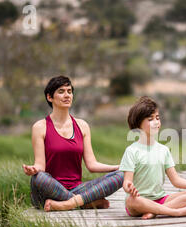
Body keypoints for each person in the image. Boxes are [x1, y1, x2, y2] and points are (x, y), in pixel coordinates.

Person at [22, 75, 124, 212]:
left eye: (69, 91)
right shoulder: (40, 127)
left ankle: (68, 203)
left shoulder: (82, 126)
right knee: (39, 178)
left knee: (121, 175)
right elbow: (40, 165)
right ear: (49, 97)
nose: (67, 95)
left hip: (77, 188)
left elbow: (92, 165)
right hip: (48, 191)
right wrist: (33, 169)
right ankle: (84, 203)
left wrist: (118, 167)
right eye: (61, 91)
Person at [120, 96, 186, 219]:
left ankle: (154, 212)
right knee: (131, 201)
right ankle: (177, 212)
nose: (156, 122)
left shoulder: (163, 150)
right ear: (138, 124)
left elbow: (176, 180)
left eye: (157, 118)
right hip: (139, 201)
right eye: (150, 119)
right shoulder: (132, 151)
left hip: (160, 199)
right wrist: (129, 187)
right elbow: (127, 181)